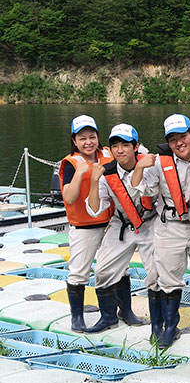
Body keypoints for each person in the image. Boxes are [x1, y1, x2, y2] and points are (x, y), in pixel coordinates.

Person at [132, 114, 190, 347]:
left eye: (183, 137)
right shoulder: (159, 162)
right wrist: (139, 166)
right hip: (170, 225)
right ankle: (170, 327)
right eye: (173, 139)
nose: (179, 143)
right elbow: (142, 189)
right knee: (168, 279)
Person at [84, 124, 154, 333]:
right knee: (103, 269)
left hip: (151, 222)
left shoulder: (151, 164)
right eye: (115, 145)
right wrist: (94, 181)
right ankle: (108, 317)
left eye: (125, 145)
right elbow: (95, 210)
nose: (120, 150)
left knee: (157, 274)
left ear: (136, 147)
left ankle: (161, 323)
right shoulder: (107, 173)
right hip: (122, 223)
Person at [60, 115, 114, 332]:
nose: (88, 142)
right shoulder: (72, 163)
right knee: (79, 272)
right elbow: (69, 197)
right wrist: (80, 174)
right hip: (84, 227)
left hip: (111, 224)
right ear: (74, 141)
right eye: (82, 138)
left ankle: (121, 312)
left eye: (92, 136)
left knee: (116, 269)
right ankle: (77, 317)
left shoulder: (108, 155)